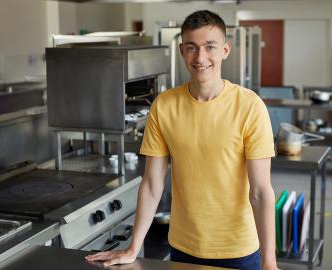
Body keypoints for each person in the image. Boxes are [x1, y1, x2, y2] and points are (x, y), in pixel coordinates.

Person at [86, 10, 279, 270]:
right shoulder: (164, 106)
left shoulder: (249, 106)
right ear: (181, 51)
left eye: (210, 47)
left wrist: (269, 262)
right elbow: (153, 184)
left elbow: (260, 191)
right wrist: (133, 247)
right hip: (183, 249)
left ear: (225, 50)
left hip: (238, 251)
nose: (200, 57)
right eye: (192, 48)